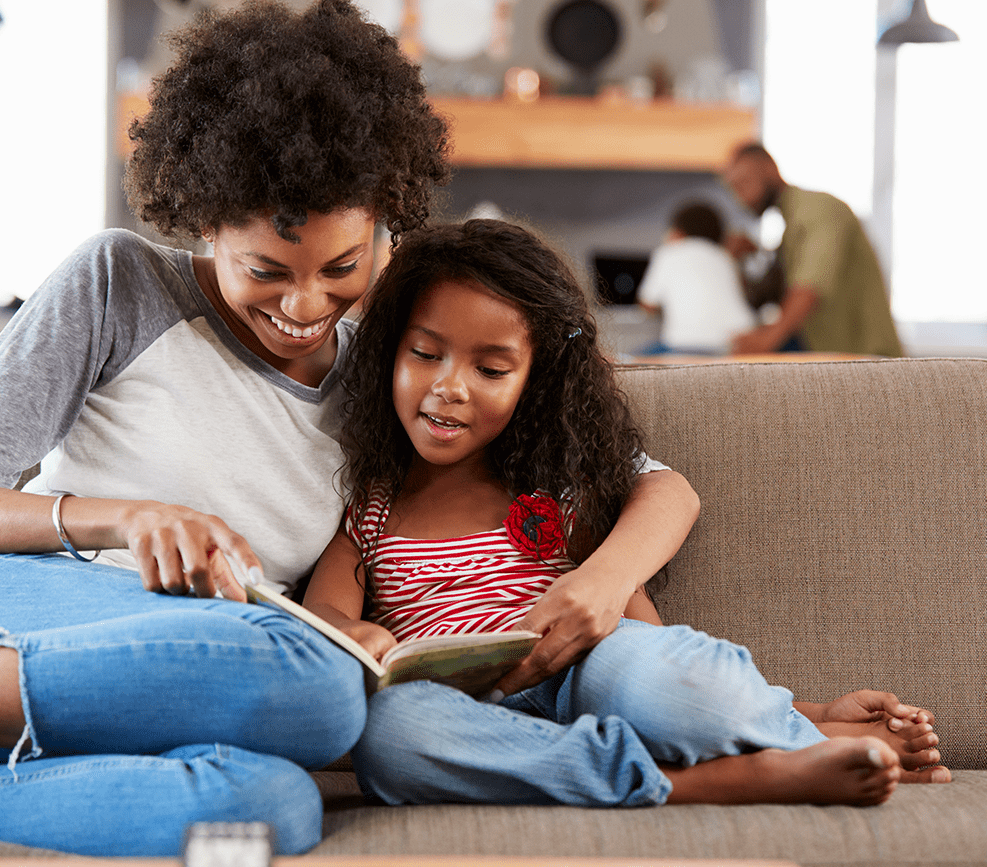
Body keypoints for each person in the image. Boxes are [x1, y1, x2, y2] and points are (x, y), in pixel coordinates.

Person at [0, 0, 451, 856]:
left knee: (273, 808)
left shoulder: (391, 372)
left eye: (342, 268)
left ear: (387, 217)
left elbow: (601, 463)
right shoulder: (120, 283)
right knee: (314, 688)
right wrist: (121, 516)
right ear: (204, 219)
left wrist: (347, 628)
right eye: (264, 271)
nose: (304, 306)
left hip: (147, 704)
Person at [303, 218, 949, 810]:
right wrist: (355, 636)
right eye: (424, 354)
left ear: (534, 379)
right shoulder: (370, 507)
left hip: (584, 673)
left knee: (668, 680)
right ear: (388, 350)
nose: (449, 385)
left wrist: (807, 704)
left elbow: (641, 635)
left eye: (491, 367)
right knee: (390, 738)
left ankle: (799, 731)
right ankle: (707, 779)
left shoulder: (550, 488)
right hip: (463, 711)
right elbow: (326, 611)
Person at [722, 142, 903, 357]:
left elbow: (809, 286)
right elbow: (770, 295)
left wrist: (767, 339)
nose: (740, 198)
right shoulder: (790, 227)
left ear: (769, 168)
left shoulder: (819, 209)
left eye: (743, 183)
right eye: (733, 189)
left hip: (867, 360)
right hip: (832, 357)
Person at [636, 201, 757, 355]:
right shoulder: (724, 256)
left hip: (687, 343)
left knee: (630, 359)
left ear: (677, 232)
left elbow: (647, 305)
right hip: (739, 340)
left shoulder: (668, 252)